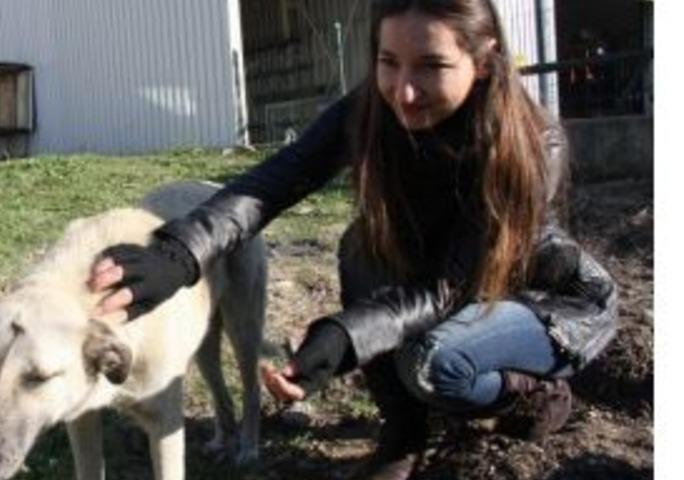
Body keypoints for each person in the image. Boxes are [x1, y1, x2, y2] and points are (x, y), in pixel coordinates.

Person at [88, 0, 618, 478]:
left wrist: (344, 336)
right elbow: (275, 181)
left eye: (432, 66)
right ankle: (403, 436)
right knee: (361, 246)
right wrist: (180, 253)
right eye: (389, 63)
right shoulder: (374, 109)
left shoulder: (532, 144)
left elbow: (448, 287)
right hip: (450, 289)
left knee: (434, 362)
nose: (404, 92)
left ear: (483, 61)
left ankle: (533, 395)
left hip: (541, 301)